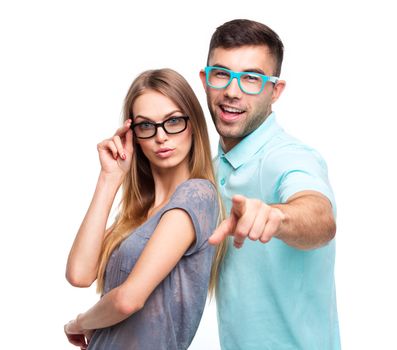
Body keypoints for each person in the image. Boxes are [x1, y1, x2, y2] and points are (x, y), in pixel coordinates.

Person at [199, 19, 340, 349]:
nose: (232, 91)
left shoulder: (288, 157)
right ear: (205, 80)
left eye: (251, 78)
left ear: (275, 90)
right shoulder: (213, 167)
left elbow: (320, 216)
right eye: (222, 74)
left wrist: (278, 217)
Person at [64, 68, 221, 350]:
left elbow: (128, 300)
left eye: (173, 121)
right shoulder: (138, 215)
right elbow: (79, 273)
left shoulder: (197, 195)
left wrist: (79, 323)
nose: (161, 136)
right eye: (146, 126)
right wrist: (109, 179)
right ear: (134, 135)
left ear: (194, 124)